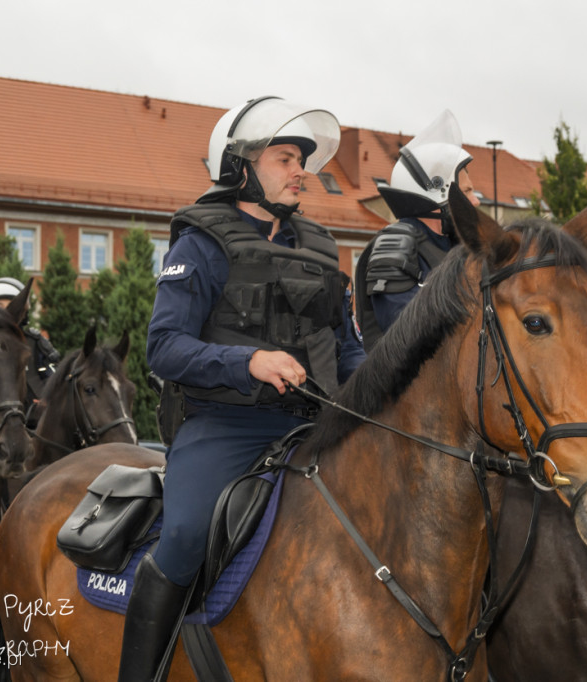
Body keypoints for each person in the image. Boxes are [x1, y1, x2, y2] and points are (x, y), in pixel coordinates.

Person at [119, 96, 365, 681]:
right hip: (225, 426)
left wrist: (380, 394)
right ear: (239, 167)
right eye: (285, 158)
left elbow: (349, 349)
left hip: (315, 425)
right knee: (181, 536)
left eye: (302, 160)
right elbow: (164, 348)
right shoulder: (201, 242)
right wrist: (247, 360)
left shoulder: (322, 248)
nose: (300, 170)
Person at [353, 109, 480, 351]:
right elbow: (405, 333)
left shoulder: (460, 248)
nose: (476, 202)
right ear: (436, 194)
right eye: (466, 192)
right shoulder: (396, 246)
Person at [0, 277, 59, 407]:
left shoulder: (35, 342)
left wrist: (48, 401)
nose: (6, 313)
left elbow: (55, 381)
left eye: (12, 307)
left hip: (36, 422)